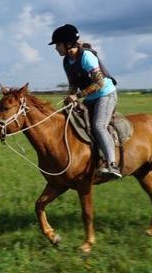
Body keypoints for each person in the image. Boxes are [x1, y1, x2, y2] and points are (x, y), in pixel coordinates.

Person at [49, 23, 121, 179]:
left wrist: (78, 96)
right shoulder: (67, 61)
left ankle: (112, 165)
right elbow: (73, 84)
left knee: (98, 126)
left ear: (68, 44)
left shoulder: (87, 57)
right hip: (90, 97)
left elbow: (100, 83)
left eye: (58, 44)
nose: (56, 48)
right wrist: (70, 96)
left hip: (105, 95)